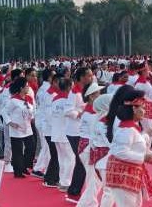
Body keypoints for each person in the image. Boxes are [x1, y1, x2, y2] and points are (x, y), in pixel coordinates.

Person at [105, 90, 152, 207]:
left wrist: (145, 136)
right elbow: (120, 152)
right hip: (124, 174)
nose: (144, 111)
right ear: (133, 109)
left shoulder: (130, 127)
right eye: (142, 108)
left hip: (129, 173)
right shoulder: (127, 129)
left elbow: (135, 143)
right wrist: (143, 157)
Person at [65, 67, 93, 203]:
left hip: (83, 130)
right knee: (81, 161)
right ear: (81, 77)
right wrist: (80, 114)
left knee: (81, 161)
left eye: (92, 75)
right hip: (74, 130)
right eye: (88, 75)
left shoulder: (87, 91)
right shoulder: (74, 92)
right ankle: (74, 191)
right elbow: (68, 110)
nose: (91, 77)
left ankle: (75, 190)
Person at [75, 82, 104, 206]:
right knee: (94, 180)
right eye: (98, 93)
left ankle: (89, 204)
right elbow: (97, 133)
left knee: (93, 179)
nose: (101, 95)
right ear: (92, 96)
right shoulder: (91, 114)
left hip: (87, 147)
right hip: (89, 147)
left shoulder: (89, 110)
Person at [3, 77, 35, 178]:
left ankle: (24, 166)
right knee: (17, 151)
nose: (28, 88)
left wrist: (32, 117)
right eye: (26, 86)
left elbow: (33, 110)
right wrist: (10, 123)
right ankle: (18, 171)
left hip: (27, 127)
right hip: (16, 129)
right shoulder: (13, 100)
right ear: (21, 88)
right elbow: (4, 112)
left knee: (31, 147)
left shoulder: (29, 98)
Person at [51, 77, 76, 192]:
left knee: (62, 158)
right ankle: (66, 183)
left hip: (56, 132)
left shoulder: (54, 99)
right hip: (65, 134)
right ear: (69, 87)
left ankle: (62, 181)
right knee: (70, 158)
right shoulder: (68, 100)